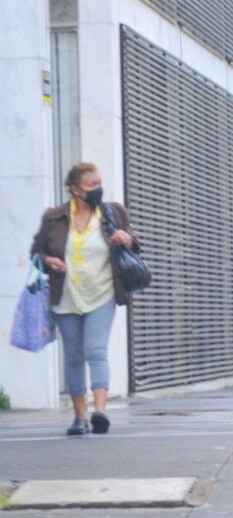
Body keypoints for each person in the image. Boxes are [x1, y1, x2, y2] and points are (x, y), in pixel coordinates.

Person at [30, 163, 138, 436]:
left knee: (95, 350)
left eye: (99, 183)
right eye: (92, 185)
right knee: (74, 356)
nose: (97, 189)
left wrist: (126, 240)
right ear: (75, 189)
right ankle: (80, 418)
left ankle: (99, 412)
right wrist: (50, 260)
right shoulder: (54, 217)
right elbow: (37, 251)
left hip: (102, 292)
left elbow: (135, 244)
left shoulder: (113, 212)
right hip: (65, 295)